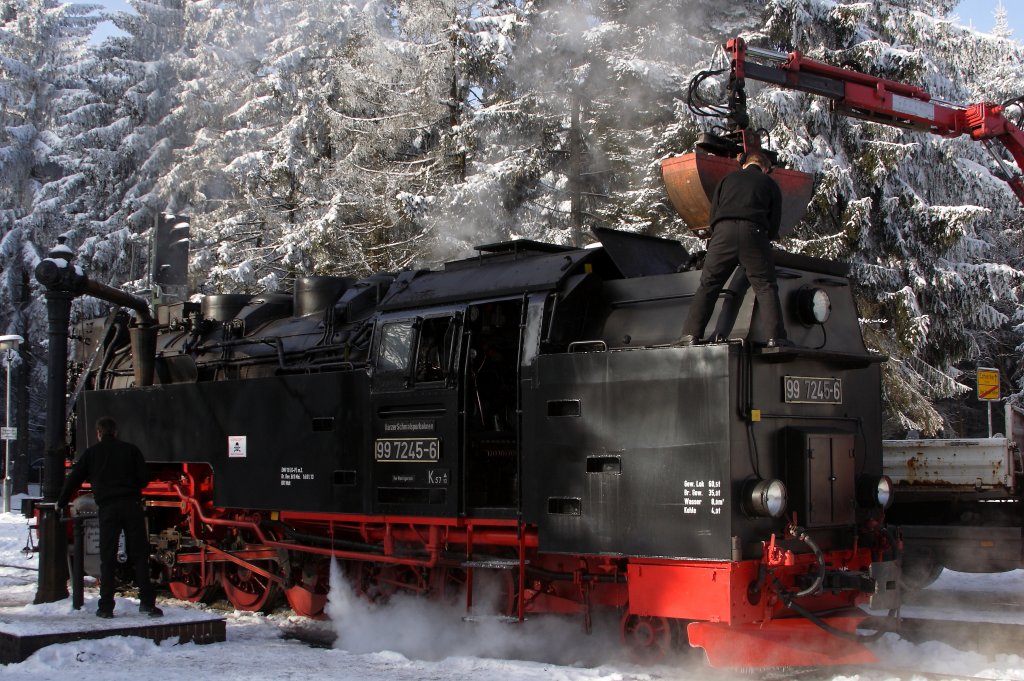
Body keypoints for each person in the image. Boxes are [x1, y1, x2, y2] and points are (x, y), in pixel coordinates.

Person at [677, 149, 791, 347]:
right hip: (753, 233)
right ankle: (776, 338)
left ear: (745, 164)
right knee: (765, 286)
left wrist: (720, 232)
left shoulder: (727, 179)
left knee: (709, 284)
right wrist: (764, 239)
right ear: (765, 168)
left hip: (723, 233)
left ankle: (690, 335)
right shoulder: (769, 184)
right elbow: (774, 222)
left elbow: (713, 214)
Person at [57, 416, 163, 618]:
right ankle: (147, 603)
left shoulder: (92, 453)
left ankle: (106, 606)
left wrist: (61, 502)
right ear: (116, 432)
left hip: (107, 508)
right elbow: (144, 478)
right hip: (131, 506)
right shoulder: (131, 450)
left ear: (98, 433)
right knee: (140, 555)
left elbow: (74, 479)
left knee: (107, 557)